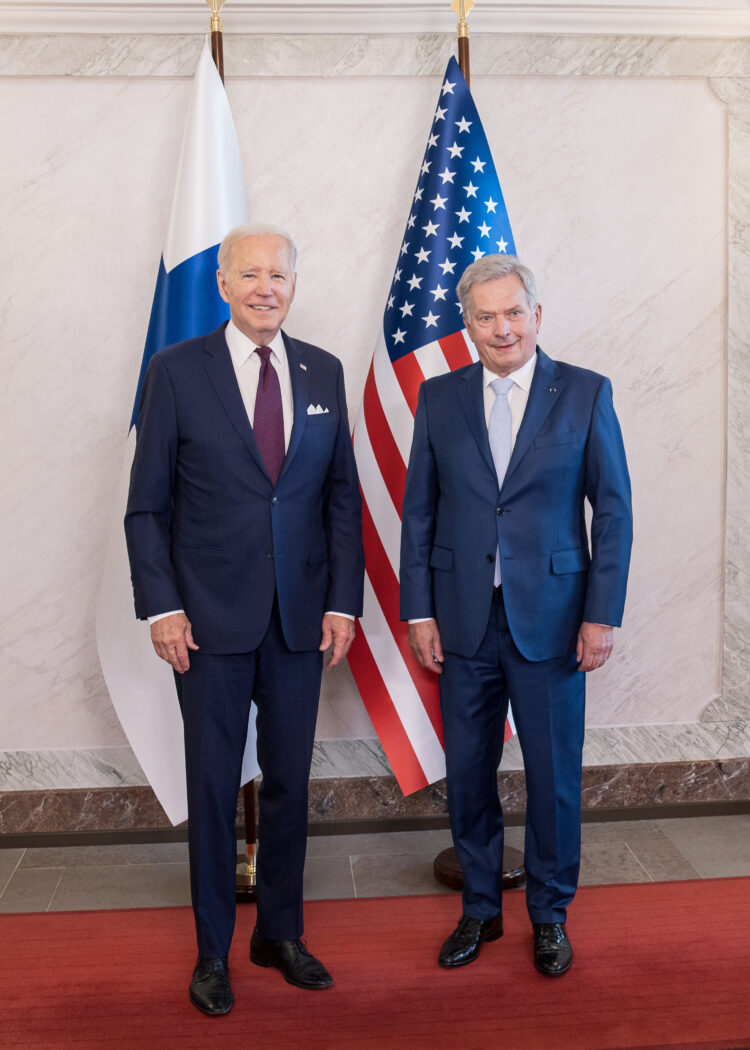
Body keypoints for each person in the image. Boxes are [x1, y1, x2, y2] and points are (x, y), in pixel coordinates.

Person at [125, 222, 364, 1015]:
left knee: (291, 783)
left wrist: (341, 601)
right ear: (222, 284)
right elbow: (146, 507)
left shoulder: (322, 370)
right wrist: (161, 605)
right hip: (207, 624)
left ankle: (281, 934)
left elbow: (339, 500)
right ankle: (212, 952)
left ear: (295, 284)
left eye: (280, 274)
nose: (267, 286)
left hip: (300, 623)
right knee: (214, 786)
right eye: (251, 273)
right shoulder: (175, 371)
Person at [400, 255, 632, 977]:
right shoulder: (438, 399)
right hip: (463, 619)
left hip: (556, 622)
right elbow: (420, 515)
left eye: (513, 312)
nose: (502, 328)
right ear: (466, 325)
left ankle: (550, 916)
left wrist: (601, 615)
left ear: (537, 314)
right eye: (485, 316)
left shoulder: (585, 394)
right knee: (468, 772)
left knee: (553, 777)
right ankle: (479, 910)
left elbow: (615, 512)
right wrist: (419, 612)